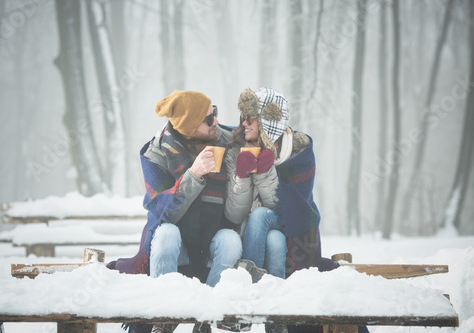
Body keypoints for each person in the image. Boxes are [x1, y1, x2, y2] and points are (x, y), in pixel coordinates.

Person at [109, 90, 242, 333]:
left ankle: (206, 316)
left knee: (231, 240)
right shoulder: (157, 153)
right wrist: (194, 175)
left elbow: (259, 140)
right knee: (167, 232)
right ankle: (163, 316)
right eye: (208, 120)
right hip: (174, 246)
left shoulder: (226, 141)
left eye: (216, 113)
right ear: (189, 128)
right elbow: (162, 214)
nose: (216, 122)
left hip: (211, 240)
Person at [224, 87, 343, 333]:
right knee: (275, 240)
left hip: (292, 225)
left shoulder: (297, 153)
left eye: (252, 117)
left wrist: (265, 171)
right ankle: (275, 321)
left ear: (269, 123)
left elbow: (293, 207)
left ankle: (247, 294)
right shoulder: (236, 148)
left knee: (262, 217)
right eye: (243, 115)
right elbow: (234, 215)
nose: (245, 122)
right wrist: (243, 176)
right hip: (253, 232)